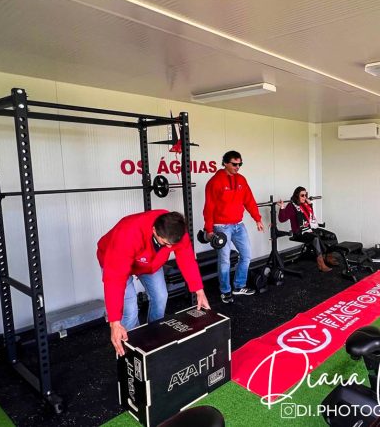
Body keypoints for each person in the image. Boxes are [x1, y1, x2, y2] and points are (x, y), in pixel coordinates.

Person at [97, 210, 210, 356]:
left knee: (161, 296)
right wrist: (114, 322)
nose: (170, 248)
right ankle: (131, 351)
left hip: (149, 262)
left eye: (172, 245)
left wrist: (199, 290)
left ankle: (154, 338)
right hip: (116, 259)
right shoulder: (128, 234)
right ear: (154, 230)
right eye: (165, 243)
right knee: (130, 310)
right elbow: (114, 280)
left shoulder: (177, 231)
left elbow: (187, 259)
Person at [203, 150, 264, 304]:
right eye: (234, 164)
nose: (238, 167)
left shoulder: (241, 180)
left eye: (240, 164)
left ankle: (239, 286)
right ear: (225, 163)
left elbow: (249, 200)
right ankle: (225, 291)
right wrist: (209, 229)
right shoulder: (214, 182)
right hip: (221, 227)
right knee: (224, 260)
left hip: (238, 225)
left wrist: (257, 218)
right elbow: (209, 208)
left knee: (246, 255)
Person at [278, 186, 339, 272]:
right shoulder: (291, 206)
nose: (305, 197)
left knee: (331, 235)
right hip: (299, 232)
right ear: (297, 196)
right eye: (302, 195)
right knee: (315, 238)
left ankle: (329, 257)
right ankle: (321, 263)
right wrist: (282, 208)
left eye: (305, 195)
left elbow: (310, 217)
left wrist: (310, 205)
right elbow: (282, 219)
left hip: (310, 229)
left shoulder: (304, 204)